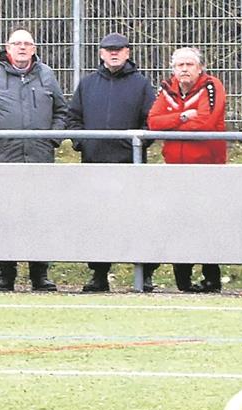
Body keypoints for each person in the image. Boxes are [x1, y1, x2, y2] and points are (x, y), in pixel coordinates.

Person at [0, 27, 68, 293]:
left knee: (40, 215)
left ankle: (39, 275)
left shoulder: (46, 74)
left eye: (27, 44)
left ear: (34, 49)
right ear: (7, 48)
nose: (22, 48)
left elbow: (62, 111)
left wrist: (52, 139)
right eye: (17, 44)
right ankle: (6, 274)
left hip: (40, 158)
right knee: (5, 215)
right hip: (5, 158)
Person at [67, 32, 159, 292]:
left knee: (137, 220)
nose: (114, 53)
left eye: (119, 49)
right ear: (101, 53)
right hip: (94, 166)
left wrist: (136, 148)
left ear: (128, 52)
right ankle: (98, 274)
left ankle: (144, 274)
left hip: (130, 167)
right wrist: (82, 144)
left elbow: (150, 122)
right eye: (109, 49)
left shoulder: (141, 84)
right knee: (96, 223)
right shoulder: (87, 85)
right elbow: (73, 118)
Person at [147, 46, 227, 293]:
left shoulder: (212, 86)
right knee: (178, 223)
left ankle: (211, 278)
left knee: (206, 223)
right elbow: (153, 122)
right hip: (174, 169)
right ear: (173, 69)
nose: (184, 69)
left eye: (189, 64)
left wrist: (171, 124)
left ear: (199, 67)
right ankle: (183, 279)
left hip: (207, 169)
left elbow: (205, 122)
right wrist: (182, 117)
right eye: (179, 65)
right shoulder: (167, 89)